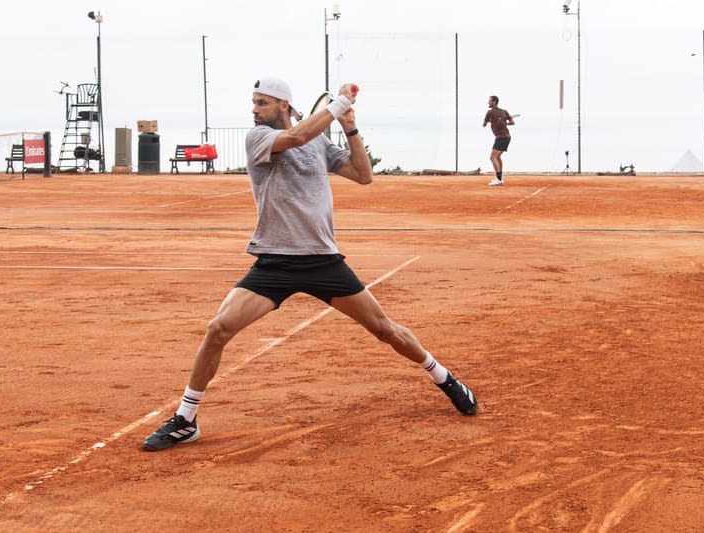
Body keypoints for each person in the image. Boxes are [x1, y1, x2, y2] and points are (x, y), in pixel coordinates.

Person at [142, 77, 479, 451]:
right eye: (253, 103)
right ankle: (186, 420)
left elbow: (363, 175)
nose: (254, 110)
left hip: (322, 261)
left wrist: (350, 128)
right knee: (218, 328)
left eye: (263, 103)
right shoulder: (259, 139)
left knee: (385, 330)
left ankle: (445, 379)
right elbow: (295, 138)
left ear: (284, 105)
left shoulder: (318, 140)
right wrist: (336, 105)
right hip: (274, 261)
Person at [482, 95, 515, 186]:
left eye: (490, 101)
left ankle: (499, 179)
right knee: (498, 157)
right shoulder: (504, 112)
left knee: (492, 157)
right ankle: (499, 178)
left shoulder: (490, 112)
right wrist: (504, 123)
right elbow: (512, 122)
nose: (488, 103)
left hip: (501, 137)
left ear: (494, 102)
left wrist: (492, 121)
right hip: (506, 137)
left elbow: (484, 124)